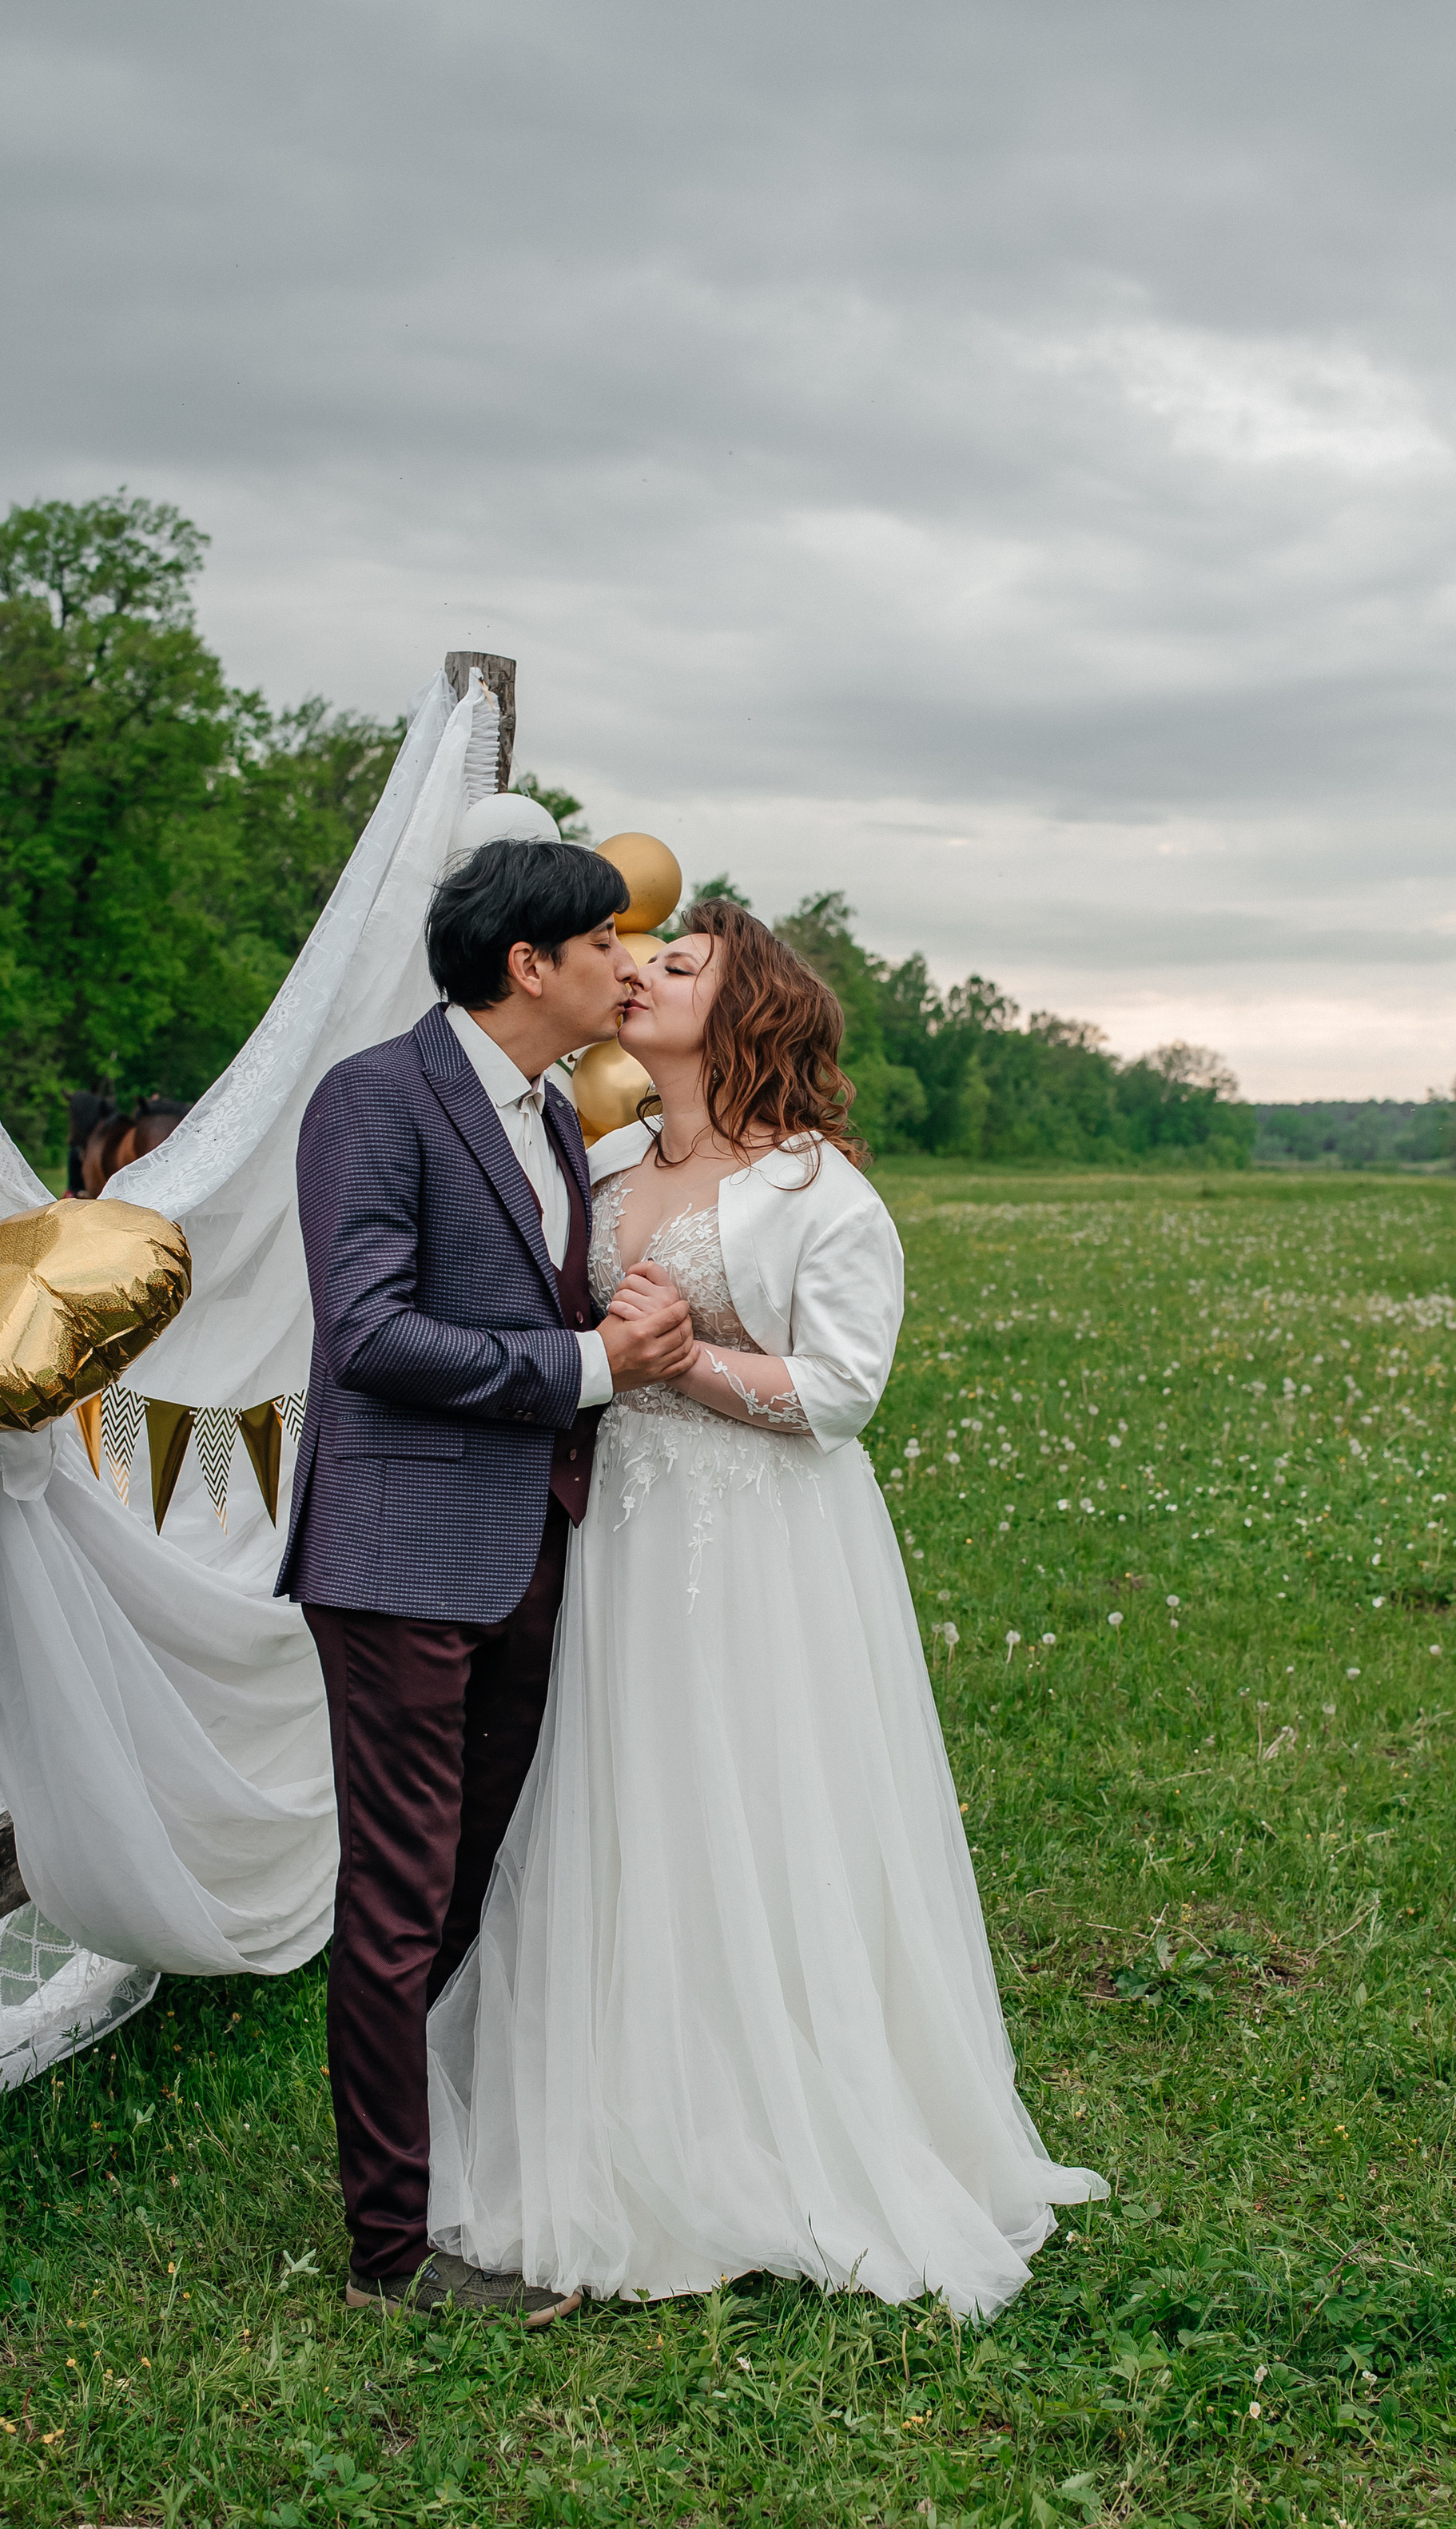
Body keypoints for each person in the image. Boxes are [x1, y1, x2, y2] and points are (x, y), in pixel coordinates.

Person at [427, 902, 1106, 2319]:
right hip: (620, 1536)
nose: (642, 974)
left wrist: (684, 1369)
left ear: (749, 1016)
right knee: (630, 1799)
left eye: (680, 966)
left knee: (759, 1802)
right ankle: (624, 2111)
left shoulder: (818, 1193)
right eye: (646, 957)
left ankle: (782, 2123)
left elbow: (845, 1393)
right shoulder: (601, 1166)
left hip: (765, 1551)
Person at [277, 838, 696, 2317]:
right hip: (396, 1555)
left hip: (530, 1545)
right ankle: (389, 2254)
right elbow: (371, 1333)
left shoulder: (549, 1114)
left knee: (467, 1882)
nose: (627, 964)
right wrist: (588, 1365)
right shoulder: (375, 1100)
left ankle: (451, 2156)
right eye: (605, 942)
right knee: (398, 1901)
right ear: (531, 964)